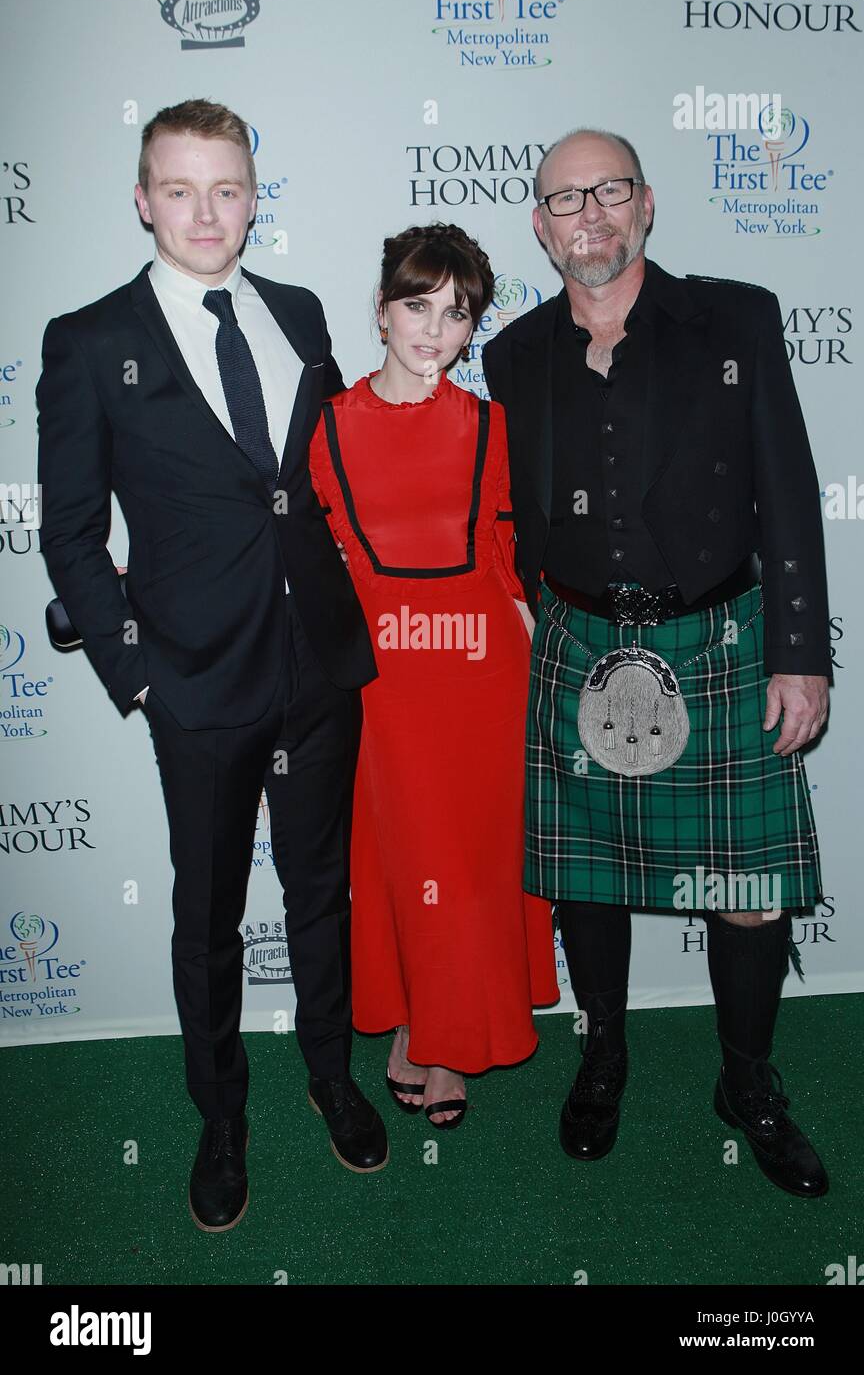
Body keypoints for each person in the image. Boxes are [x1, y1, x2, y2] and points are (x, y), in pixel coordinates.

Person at [36, 98, 388, 1233]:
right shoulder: (89, 341)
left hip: (321, 668)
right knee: (209, 916)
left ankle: (333, 1078)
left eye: (227, 187)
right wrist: (137, 674)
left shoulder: (299, 310)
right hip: (195, 681)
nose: (206, 210)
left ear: (253, 196)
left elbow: (322, 484)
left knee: (322, 894)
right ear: (142, 200)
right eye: (179, 188)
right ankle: (221, 1116)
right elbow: (72, 533)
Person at [482, 129, 831, 1196]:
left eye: (610, 191)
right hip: (578, 641)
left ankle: (748, 1078)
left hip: (721, 640)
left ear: (646, 205)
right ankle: (604, 1053)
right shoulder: (514, 354)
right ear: (540, 227)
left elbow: (791, 491)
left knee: (749, 886)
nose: (589, 213)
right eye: (565, 199)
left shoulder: (736, 319)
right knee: (590, 881)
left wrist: (800, 651)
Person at [308, 223, 559, 1128]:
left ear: (471, 330)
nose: (433, 329)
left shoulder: (493, 425)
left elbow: (505, 551)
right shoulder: (326, 429)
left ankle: (446, 1037)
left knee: (472, 862)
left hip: (486, 677)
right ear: (381, 311)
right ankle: (415, 1016)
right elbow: (312, 554)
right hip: (386, 681)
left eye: (456, 314)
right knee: (406, 859)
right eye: (417, 305)